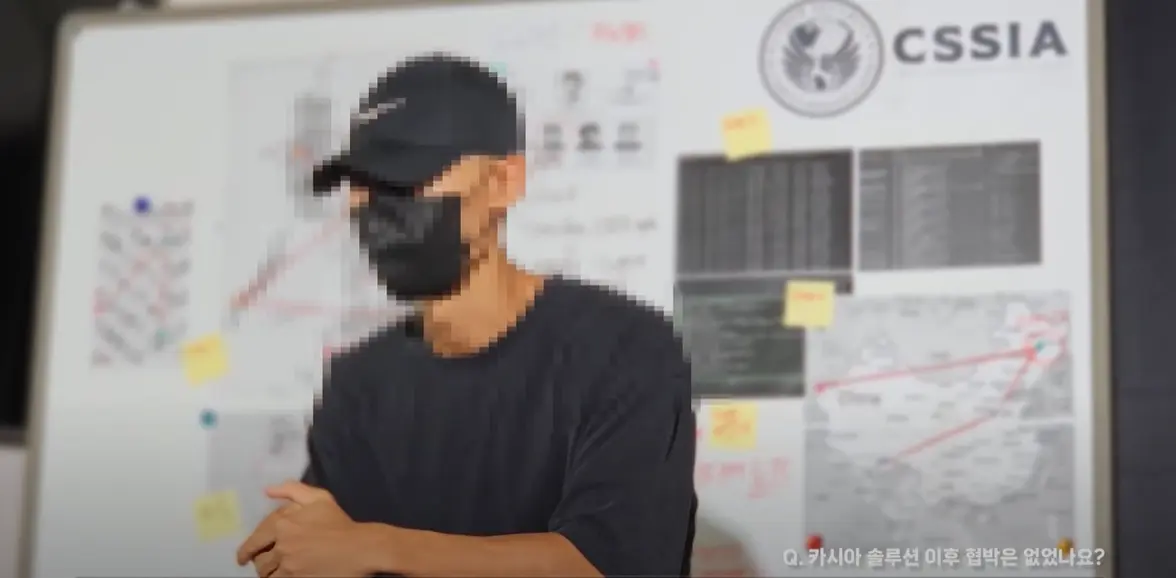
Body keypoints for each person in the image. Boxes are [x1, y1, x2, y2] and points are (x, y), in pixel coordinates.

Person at [235, 53, 696, 578]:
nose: (375, 209)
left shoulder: (622, 352)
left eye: (405, 181)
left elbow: (612, 565)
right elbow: (329, 552)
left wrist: (376, 547)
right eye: (360, 184)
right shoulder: (358, 386)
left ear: (503, 182)